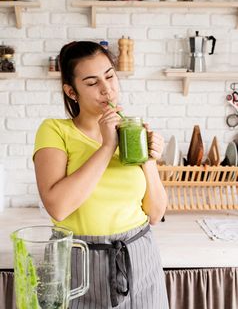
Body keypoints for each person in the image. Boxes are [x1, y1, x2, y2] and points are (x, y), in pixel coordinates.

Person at [33, 41, 169, 309]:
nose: (107, 89)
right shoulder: (54, 131)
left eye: (109, 76)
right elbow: (58, 207)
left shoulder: (132, 131)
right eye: (92, 82)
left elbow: (155, 214)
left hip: (139, 256)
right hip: (79, 263)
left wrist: (150, 161)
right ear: (72, 91)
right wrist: (107, 146)